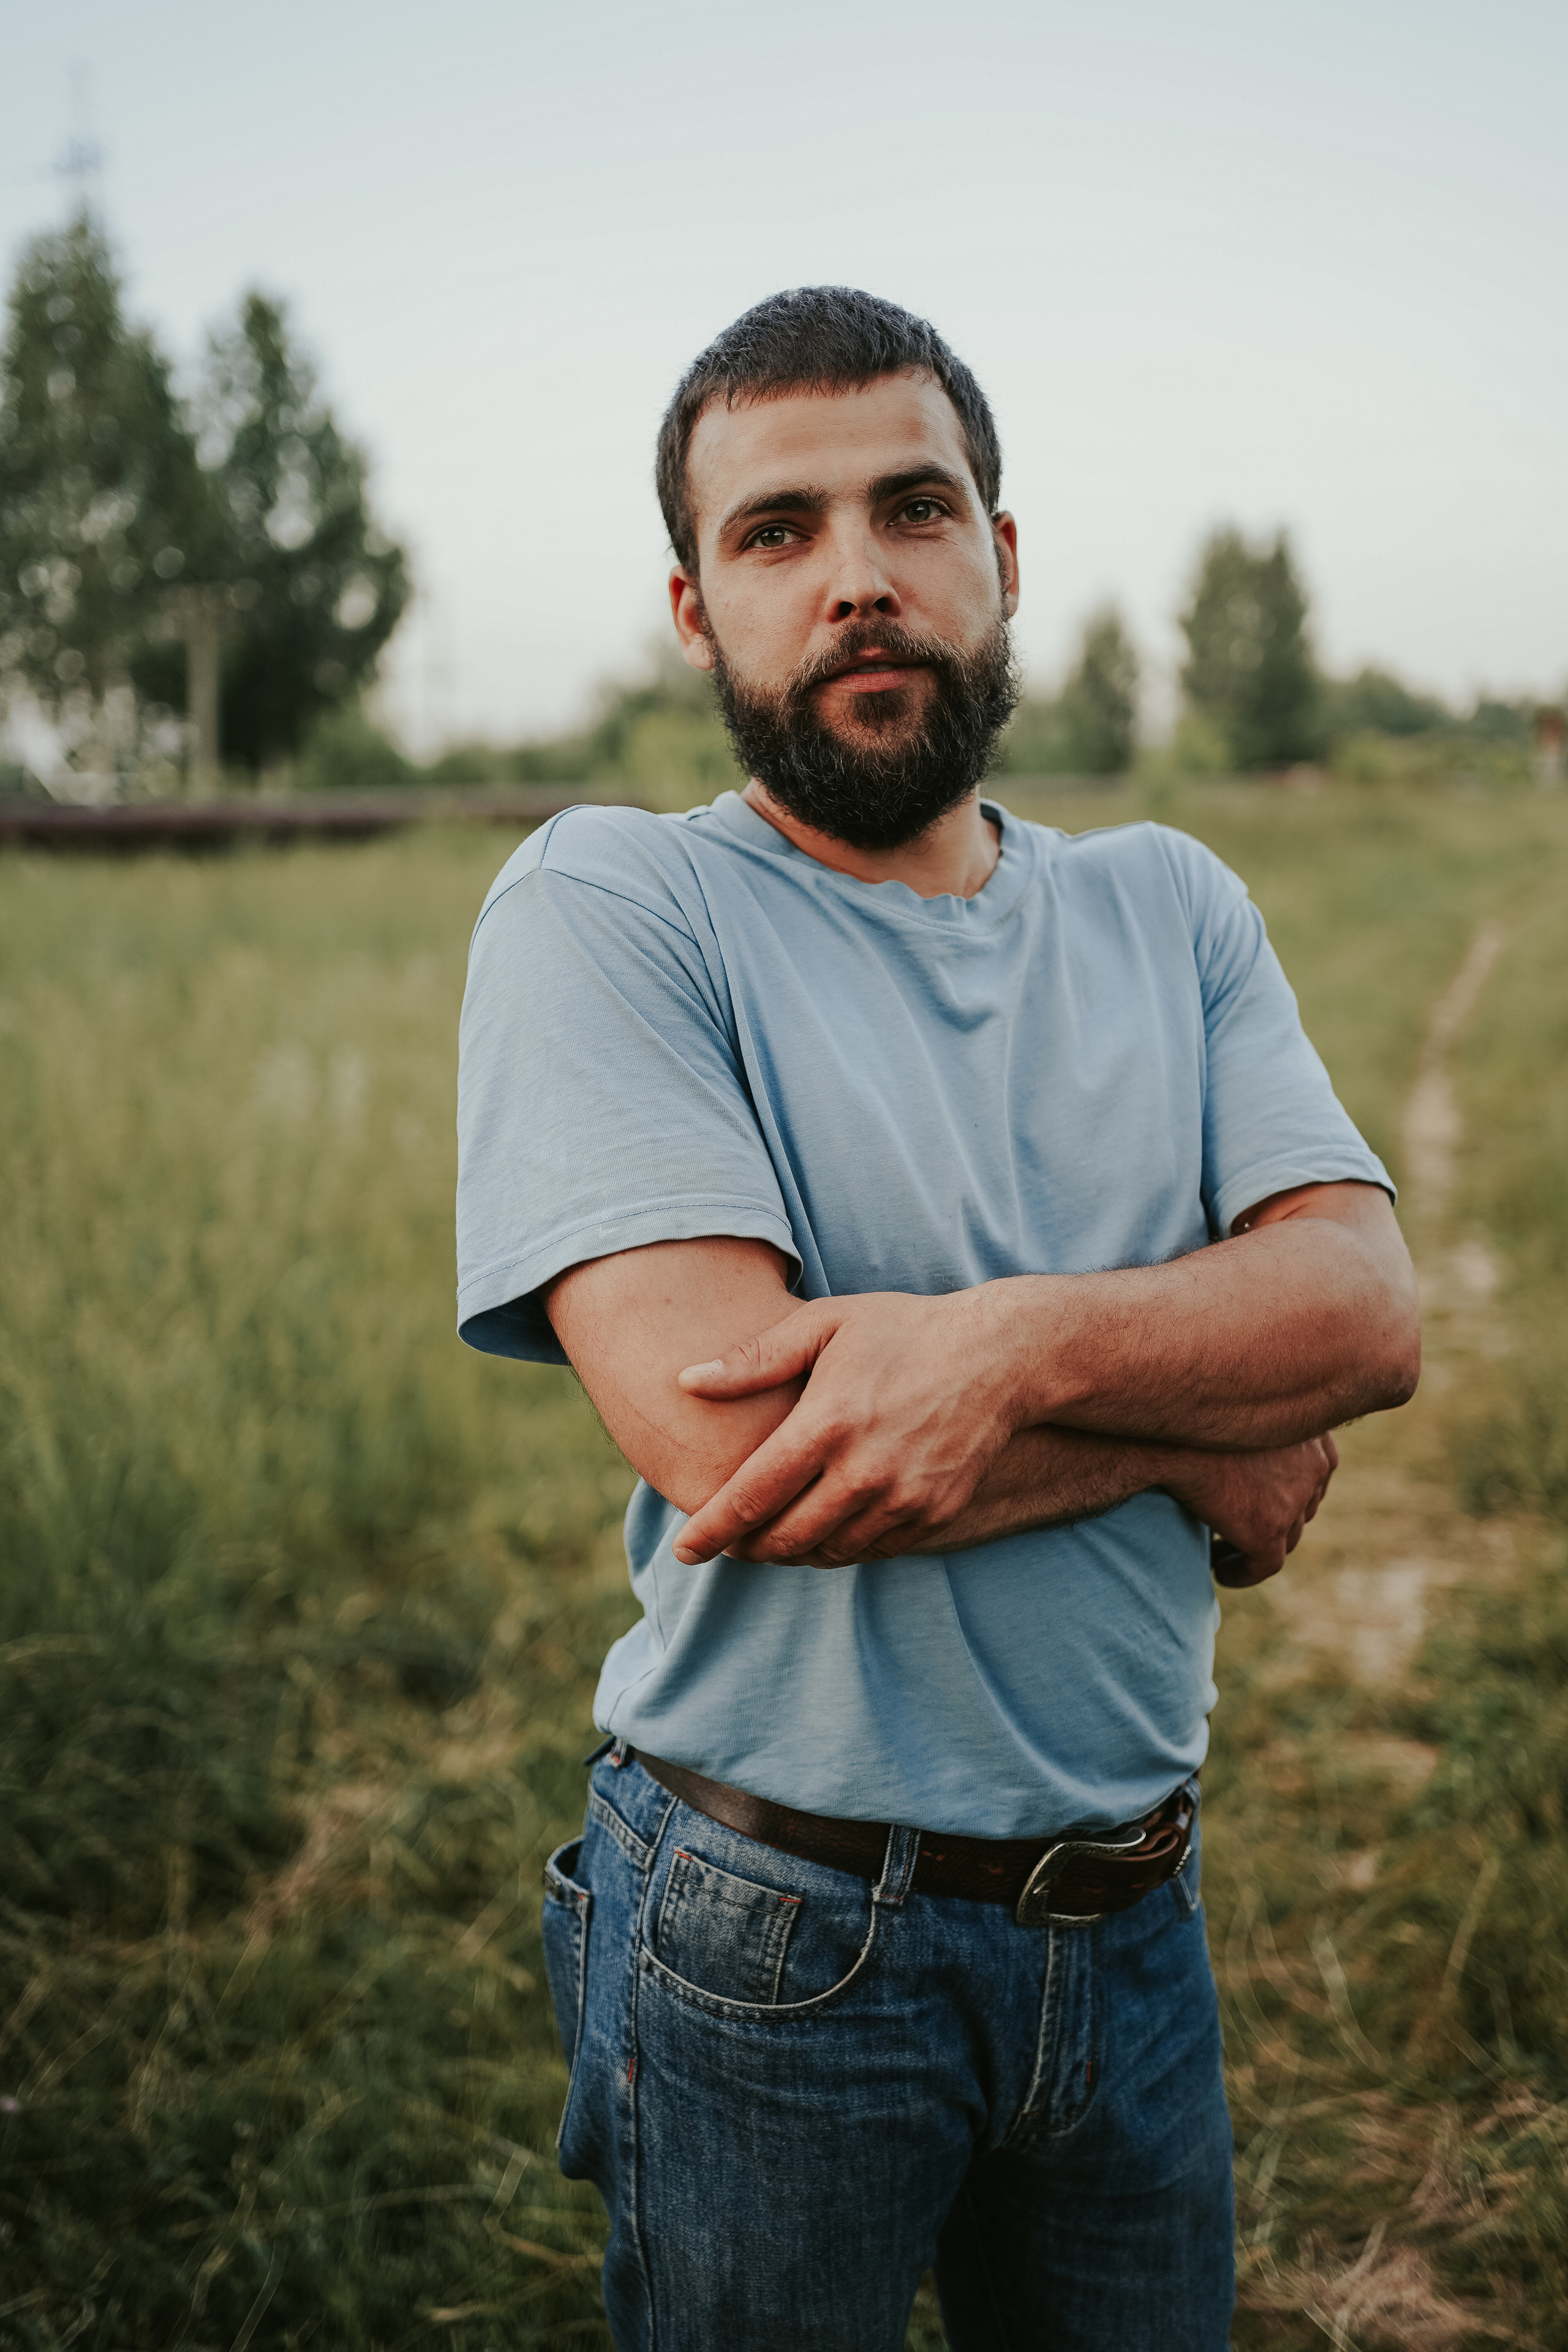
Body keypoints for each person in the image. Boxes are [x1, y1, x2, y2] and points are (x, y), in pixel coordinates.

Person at [454, 287, 1420, 2352]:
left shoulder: (1171, 904)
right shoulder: (614, 906)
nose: (859, 578)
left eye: (914, 507)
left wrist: (999, 1356)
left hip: (1135, 1910)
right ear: (697, 611)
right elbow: (743, 1456)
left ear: (1004, 552)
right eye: (776, 531)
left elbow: (1362, 1308)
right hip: (775, 1934)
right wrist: (1205, 1423)